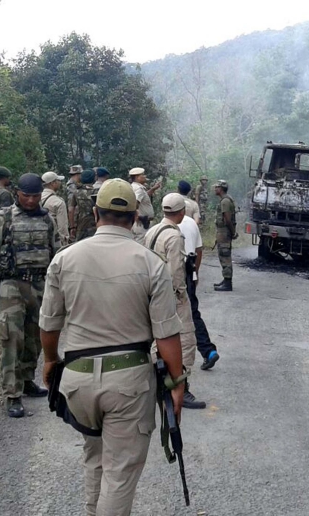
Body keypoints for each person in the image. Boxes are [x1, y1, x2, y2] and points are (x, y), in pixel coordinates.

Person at [39, 178, 185, 515]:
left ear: (95, 213)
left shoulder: (65, 259)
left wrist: (50, 361)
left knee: (95, 458)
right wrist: (177, 383)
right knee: (119, 474)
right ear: (135, 218)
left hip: (77, 381)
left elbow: (49, 324)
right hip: (128, 385)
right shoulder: (150, 264)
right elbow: (166, 335)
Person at [0, 174, 59, 418]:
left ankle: (27, 379)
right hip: (11, 285)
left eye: (35, 196)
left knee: (35, 337)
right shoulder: (3, 219)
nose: (31, 201)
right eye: (26, 196)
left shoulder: (47, 220)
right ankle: (13, 393)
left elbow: (55, 255)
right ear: (17, 194)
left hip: (40, 285)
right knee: (12, 339)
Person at [146, 194, 205, 409]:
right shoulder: (174, 236)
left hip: (151, 294)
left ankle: (157, 386)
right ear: (182, 213)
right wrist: (181, 295)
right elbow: (174, 272)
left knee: (155, 342)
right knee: (186, 342)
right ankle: (181, 387)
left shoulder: (152, 231)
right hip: (171, 297)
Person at [177, 200, 220, 370]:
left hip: (171, 275)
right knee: (193, 313)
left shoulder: (162, 227)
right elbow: (199, 250)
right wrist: (195, 272)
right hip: (189, 272)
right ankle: (208, 351)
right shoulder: (193, 225)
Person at [213, 180, 237, 292]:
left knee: (225, 256)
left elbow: (227, 219)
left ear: (221, 189)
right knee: (223, 255)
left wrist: (232, 232)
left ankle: (228, 283)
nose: (215, 189)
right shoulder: (225, 200)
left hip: (224, 232)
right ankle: (225, 280)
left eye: (217, 187)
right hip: (223, 232)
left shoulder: (225, 202)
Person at [128, 167, 160, 243]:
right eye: (142, 175)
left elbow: (143, 196)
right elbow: (135, 203)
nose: (145, 176)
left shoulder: (133, 187)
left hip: (139, 222)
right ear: (137, 177)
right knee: (142, 244)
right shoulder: (139, 189)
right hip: (142, 223)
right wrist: (136, 214)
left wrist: (153, 189)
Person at [41, 171, 70, 245]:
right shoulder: (58, 202)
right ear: (52, 183)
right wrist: (64, 242)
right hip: (54, 240)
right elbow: (62, 227)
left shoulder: (37, 197)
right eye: (58, 181)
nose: (60, 183)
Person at [69, 169, 96, 242]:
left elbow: (71, 210)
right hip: (95, 224)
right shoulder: (97, 192)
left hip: (81, 225)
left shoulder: (76, 192)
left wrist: (72, 227)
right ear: (94, 178)